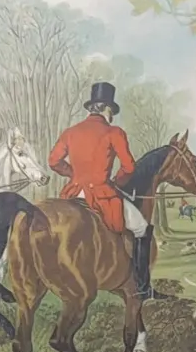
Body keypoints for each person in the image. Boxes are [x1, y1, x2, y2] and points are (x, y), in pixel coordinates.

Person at [48, 81, 152, 295]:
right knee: (141, 227)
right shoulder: (114, 132)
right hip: (102, 194)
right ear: (106, 108)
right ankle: (142, 285)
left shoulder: (70, 132)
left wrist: (74, 175)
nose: (112, 115)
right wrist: (117, 182)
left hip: (74, 192)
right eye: (111, 110)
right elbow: (129, 167)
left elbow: (53, 161)